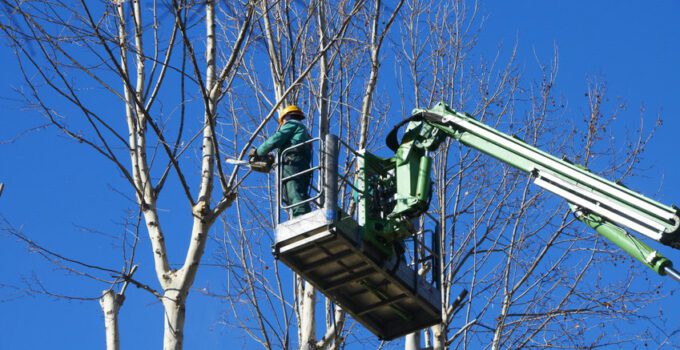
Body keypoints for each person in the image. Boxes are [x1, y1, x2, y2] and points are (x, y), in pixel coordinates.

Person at [250, 105, 312, 217]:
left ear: (287, 117)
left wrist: (258, 152)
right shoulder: (304, 133)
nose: (282, 124)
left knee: (293, 191)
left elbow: (276, 139)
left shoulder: (292, 124)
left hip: (292, 162)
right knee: (297, 194)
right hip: (300, 163)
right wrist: (274, 159)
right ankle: (301, 217)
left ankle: (302, 218)